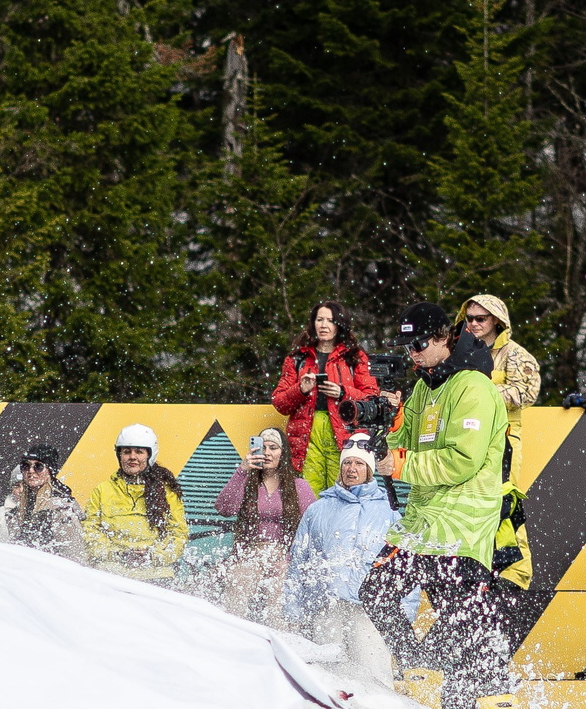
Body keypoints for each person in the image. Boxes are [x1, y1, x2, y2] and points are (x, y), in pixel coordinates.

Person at [359, 303, 512, 709]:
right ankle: (417, 663)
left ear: (445, 337)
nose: (412, 353)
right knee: (376, 591)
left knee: (463, 632)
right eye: (406, 346)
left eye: (419, 344)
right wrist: (385, 424)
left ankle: (460, 683)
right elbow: (397, 444)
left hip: (461, 526)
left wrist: (400, 463)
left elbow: (463, 460)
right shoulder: (425, 387)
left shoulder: (473, 387)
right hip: (423, 523)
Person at [282, 432, 400, 677]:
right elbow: (299, 562)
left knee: (375, 679)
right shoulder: (318, 510)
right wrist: (292, 610)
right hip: (327, 607)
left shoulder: (389, 512)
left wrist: (401, 619)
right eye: (347, 462)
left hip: (368, 611)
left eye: (359, 463)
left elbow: (401, 569)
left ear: (369, 469)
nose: (351, 469)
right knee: (327, 678)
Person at [272, 300, 379, 494]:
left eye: (330, 320)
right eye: (319, 319)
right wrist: (301, 389)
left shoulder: (355, 357)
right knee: (308, 496)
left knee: (345, 494)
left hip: (346, 434)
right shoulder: (297, 358)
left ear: (340, 325)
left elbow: (371, 398)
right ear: (313, 323)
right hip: (307, 435)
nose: (324, 325)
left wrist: (343, 393)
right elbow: (279, 402)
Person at [214, 426, 316, 622]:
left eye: (273, 448)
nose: (267, 453)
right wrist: (242, 470)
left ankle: (281, 634)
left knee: (280, 591)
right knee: (237, 581)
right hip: (250, 554)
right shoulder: (247, 482)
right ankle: (234, 631)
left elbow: (312, 529)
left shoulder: (299, 486)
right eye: (263, 447)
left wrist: (292, 558)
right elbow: (224, 508)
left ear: (283, 453)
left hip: (284, 558)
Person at [82, 423, 188, 584]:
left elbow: (178, 535)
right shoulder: (102, 490)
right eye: (126, 452)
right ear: (119, 455)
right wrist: (118, 554)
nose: (132, 457)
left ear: (150, 455)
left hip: (156, 575)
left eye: (139, 452)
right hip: (111, 574)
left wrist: (153, 556)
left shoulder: (167, 492)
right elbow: (90, 532)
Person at [461, 294, 540, 488]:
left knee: (503, 495)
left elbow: (526, 394)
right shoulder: (461, 352)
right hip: (467, 435)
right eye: (469, 318)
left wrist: (482, 393)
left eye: (480, 319)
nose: (474, 323)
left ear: (496, 319)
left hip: (504, 436)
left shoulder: (515, 354)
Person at [0, 444, 85, 561]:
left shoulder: (61, 507)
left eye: (38, 466)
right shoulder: (19, 508)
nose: (31, 471)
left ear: (50, 471)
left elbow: (75, 555)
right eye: (25, 466)